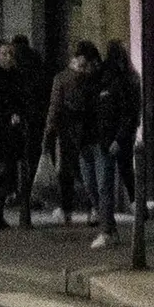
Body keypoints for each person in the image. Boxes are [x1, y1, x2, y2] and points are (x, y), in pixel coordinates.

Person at [0, 36, 39, 229]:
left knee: (9, 173)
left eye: (10, 53)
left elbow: (23, 100)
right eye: (4, 53)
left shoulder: (16, 76)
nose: (8, 57)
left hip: (12, 132)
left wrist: (18, 114)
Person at [91, 39, 146, 242]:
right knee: (125, 171)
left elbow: (122, 112)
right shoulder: (131, 77)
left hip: (110, 137)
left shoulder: (112, 79)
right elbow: (132, 111)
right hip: (122, 135)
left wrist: (115, 138)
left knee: (105, 182)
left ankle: (108, 229)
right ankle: (137, 208)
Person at [44, 43, 101, 223]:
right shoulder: (94, 79)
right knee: (88, 173)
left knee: (68, 172)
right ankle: (94, 209)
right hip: (89, 132)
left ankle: (67, 209)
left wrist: (49, 131)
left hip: (68, 132)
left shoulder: (62, 78)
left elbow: (55, 107)